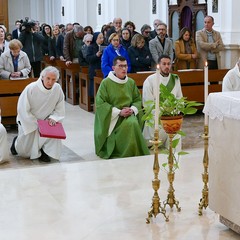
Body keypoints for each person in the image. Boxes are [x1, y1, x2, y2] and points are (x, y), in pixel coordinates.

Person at [94, 56, 150, 159]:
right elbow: (101, 103)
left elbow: (137, 99)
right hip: (113, 118)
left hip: (129, 114)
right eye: (120, 66)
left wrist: (132, 109)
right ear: (113, 68)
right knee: (131, 124)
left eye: (125, 66)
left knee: (132, 122)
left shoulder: (130, 82)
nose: (124, 69)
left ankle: (133, 151)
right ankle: (125, 152)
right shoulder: (105, 83)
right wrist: (119, 112)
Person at [10, 66, 65, 162]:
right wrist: (35, 122)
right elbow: (22, 108)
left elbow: (60, 107)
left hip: (47, 121)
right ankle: (16, 143)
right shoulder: (31, 88)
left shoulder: (57, 89)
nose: (50, 82)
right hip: (30, 121)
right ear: (42, 77)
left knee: (52, 133)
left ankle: (45, 152)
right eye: (48, 78)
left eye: (53, 79)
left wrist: (54, 118)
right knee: (24, 152)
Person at [142, 55, 183, 147]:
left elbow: (180, 98)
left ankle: (174, 155)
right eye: (164, 64)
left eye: (169, 64)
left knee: (176, 129)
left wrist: (175, 112)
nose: (167, 66)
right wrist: (163, 113)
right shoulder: (150, 80)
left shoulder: (175, 79)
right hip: (156, 117)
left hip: (172, 117)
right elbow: (147, 103)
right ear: (159, 65)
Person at [86, 32, 105, 97]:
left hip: (102, 69)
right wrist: (96, 55)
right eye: (100, 38)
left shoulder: (105, 46)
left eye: (102, 37)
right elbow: (88, 59)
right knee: (94, 91)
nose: (102, 39)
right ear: (96, 39)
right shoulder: (91, 47)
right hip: (94, 70)